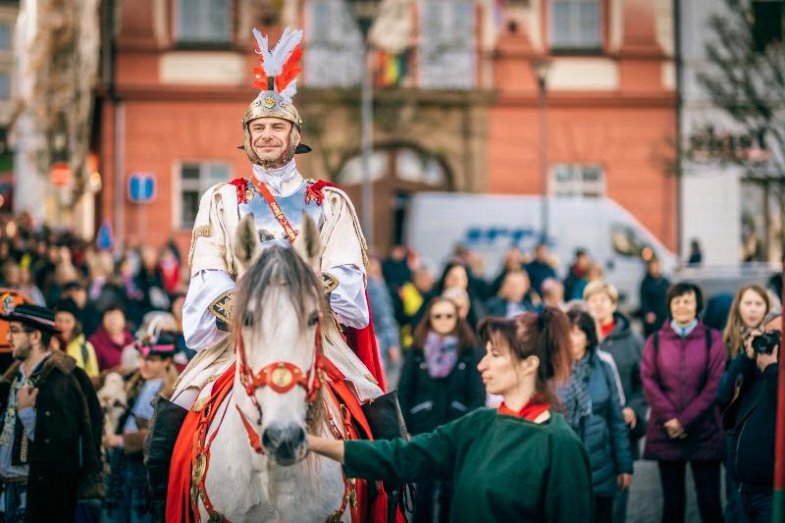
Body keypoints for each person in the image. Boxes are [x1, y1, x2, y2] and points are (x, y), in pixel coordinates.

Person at [148, 26, 388, 519]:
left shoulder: (330, 202)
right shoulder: (220, 199)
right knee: (174, 411)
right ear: (247, 139)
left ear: (295, 138)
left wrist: (298, 296)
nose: (267, 136)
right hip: (239, 335)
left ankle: (392, 498)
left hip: (314, 335)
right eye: (258, 129)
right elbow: (208, 273)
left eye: (277, 128)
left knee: (379, 409)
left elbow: (346, 281)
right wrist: (249, 306)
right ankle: (166, 500)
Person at [307, 308, 593, 521]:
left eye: (495, 354)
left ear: (529, 364)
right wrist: (314, 443)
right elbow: (403, 456)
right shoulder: (480, 425)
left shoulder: (560, 445)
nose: (482, 365)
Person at [0, 304, 103, 521]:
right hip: (6, 491)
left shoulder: (61, 381)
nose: (9, 337)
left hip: (36, 494)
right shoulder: (13, 378)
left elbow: (63, 448)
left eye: (15, 330)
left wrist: (27, 413)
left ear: (36, 336)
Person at [640, 282, 725, 523]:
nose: (682, 306)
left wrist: (685, 420)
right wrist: (671, 419)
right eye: (676, 301)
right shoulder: (655, 341)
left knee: (710, 505)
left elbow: (714, 384)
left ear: (697, 304)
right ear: (669, 306)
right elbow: (649, 381)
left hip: (705, 431)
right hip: (666, 432)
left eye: (687, 300)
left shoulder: (712, 338)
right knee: (673, 506)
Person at [397, 297, 484, 522]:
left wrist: (469, 429)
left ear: (457, 318)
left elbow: (477, 394)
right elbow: (405, 391)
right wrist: (405, 427)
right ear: (429, 319)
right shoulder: (417, 350)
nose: (444, 320)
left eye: (449, 315)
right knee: (423, 493)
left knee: (451, 491)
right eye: (438, 316)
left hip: (457, 427)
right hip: (423, 427)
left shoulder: (470, 350)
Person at [560, 309, 633, 523]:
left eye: (576, 333)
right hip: (565, 470)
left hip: (600, 465)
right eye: (565, 332)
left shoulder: (603, 367)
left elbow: (616, 420)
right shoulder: (552, 370)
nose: (569, 339)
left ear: (588, 336)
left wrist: (623, 466)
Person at [584, 280, 647, 523]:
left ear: (613, 304)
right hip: (589, 431)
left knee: (617, 503)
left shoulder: (633, 340)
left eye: (603, 300)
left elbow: (643, 383)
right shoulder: (578, 338)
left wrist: (634, 408)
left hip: (620, 429)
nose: (597, 305)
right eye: (592, 300)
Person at [104, 333, 179, 523]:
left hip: (146, 469)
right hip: (120, 463)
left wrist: (121, 440)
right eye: (141, 358)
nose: (143, 364)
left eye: (151, 360)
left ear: (167, 361)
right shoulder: (134, 379)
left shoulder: (174, 392)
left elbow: (162, 435)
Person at [716, 311, 780, 523]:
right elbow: (723, 395)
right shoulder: (756, 371)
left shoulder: (772, 374)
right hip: (741, 489)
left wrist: (772, 368)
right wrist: (746, 358)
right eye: (770, 334)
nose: (774, 341)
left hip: (772, 495)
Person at [53, 299, 101, 382]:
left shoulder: (85, 347)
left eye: (68, 321)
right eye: (59, 320)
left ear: (75, 323)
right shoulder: (47, 344)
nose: (63, 326)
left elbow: (94, 378)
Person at [89, 305, 135, 372]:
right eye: (109, 316)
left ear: (125, 320)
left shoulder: (132, 340)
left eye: (116, 317)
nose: (113, 320)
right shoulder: (94, 342)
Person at [639, 257, 670, 337]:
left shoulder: (665, 282)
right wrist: (647, 312)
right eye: (654, 266)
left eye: (658, 266)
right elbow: (644, 300)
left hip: (664, 315)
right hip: (652, 317)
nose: (657, 269)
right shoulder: (646, 283)